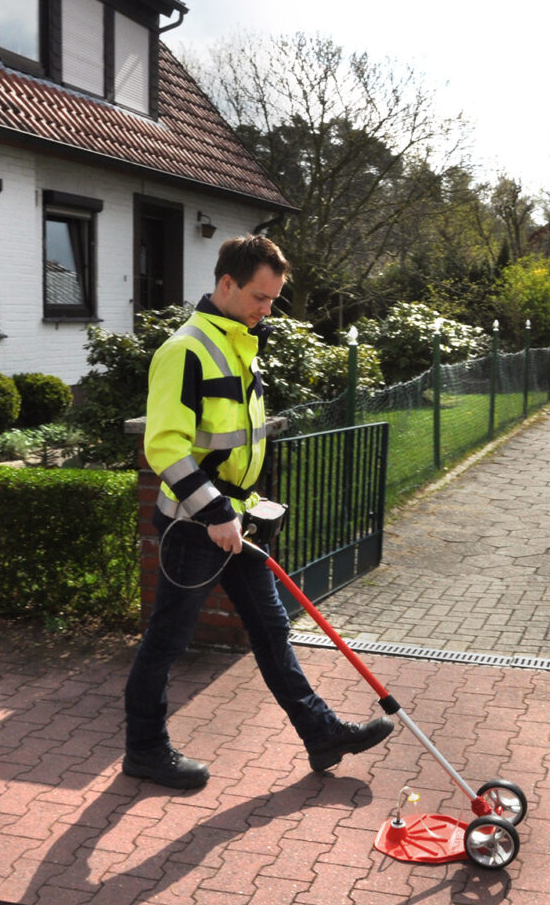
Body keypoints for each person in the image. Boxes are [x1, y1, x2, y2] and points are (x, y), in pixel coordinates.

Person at [123, 235, 393, 790]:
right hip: (195, 527)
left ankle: (320, 733)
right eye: (259, 297)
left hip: (237, 522)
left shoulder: (240, 344)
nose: (266, 310)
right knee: (168, 641)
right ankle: (145, 750)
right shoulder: (184, 350)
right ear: (225, 284)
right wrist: (216, 510)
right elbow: (165, 447)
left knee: (271, 629)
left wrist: (244, 508)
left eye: (273, 300)